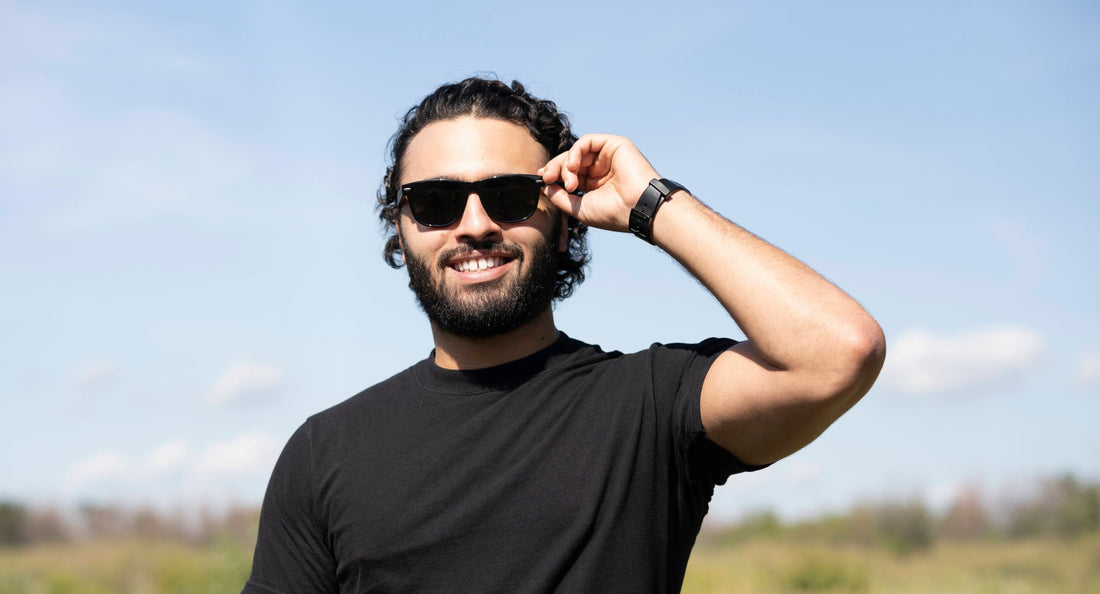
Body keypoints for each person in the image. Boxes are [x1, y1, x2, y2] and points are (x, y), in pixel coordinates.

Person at [243, 77, 885, 593]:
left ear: (566, 219)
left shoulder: (650, 407)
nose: (473, 225)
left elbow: (837, 351)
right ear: (401, 225)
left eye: (511, 196)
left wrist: (652, 204)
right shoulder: (324, 452)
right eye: (436, 201)